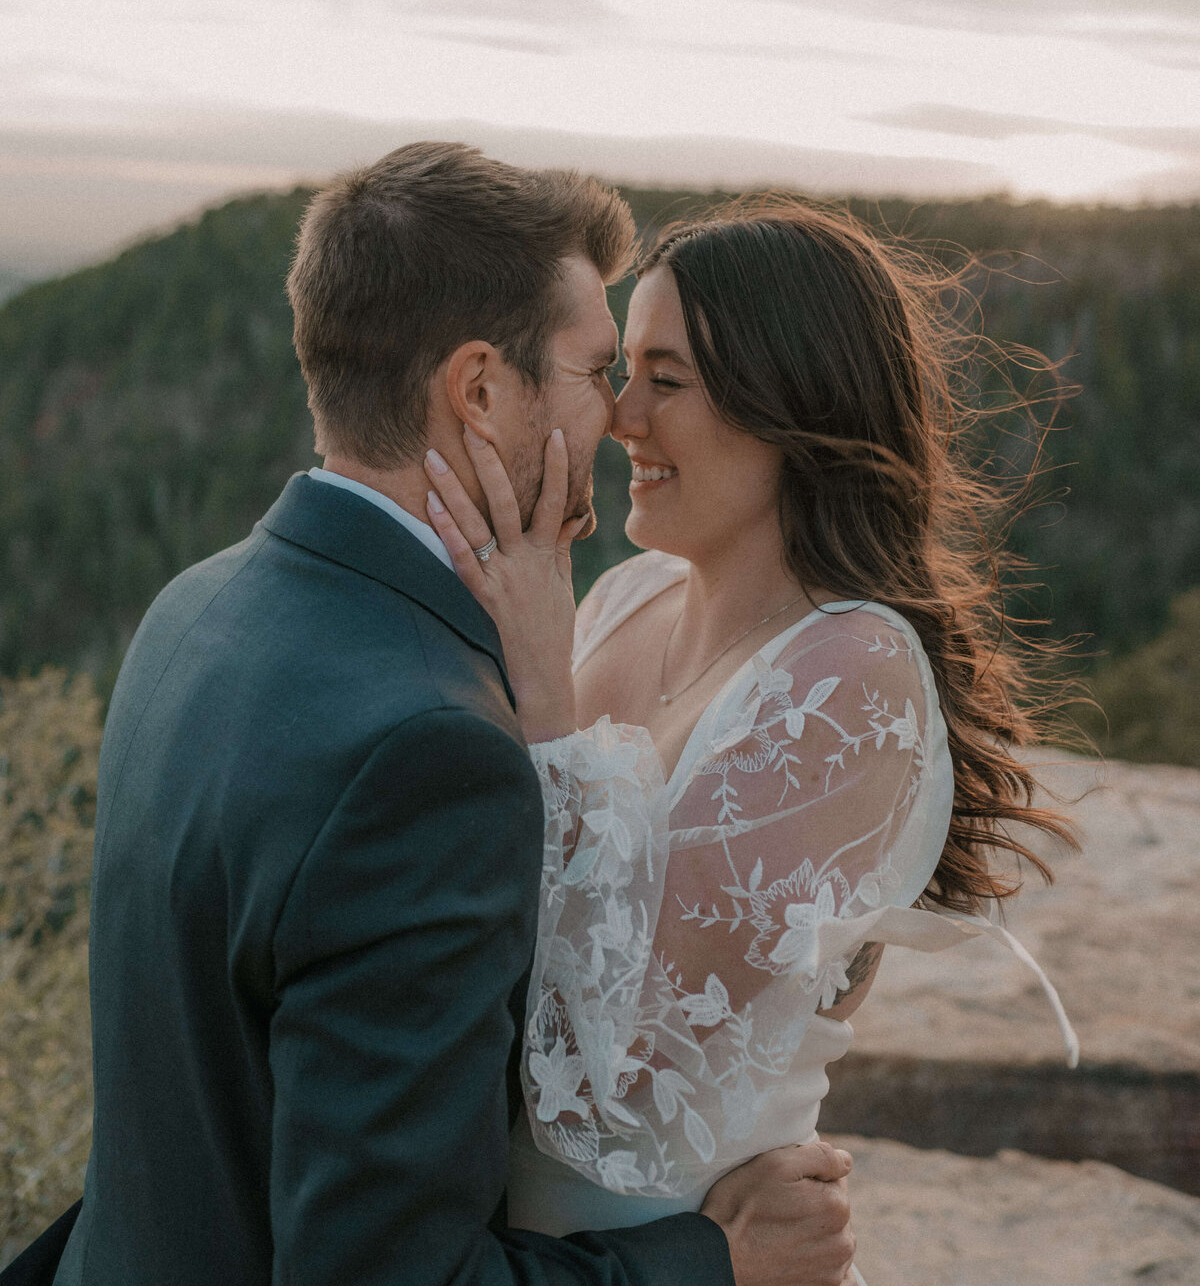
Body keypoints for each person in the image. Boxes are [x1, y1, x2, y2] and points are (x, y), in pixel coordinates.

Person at [7, 145, 856, 1286]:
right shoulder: (427, 752)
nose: (618, 417)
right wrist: (715, 1258)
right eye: (595, 369)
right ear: (479, 390)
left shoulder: (195, 609)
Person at [422, 197, 1079, 1259]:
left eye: (666, 380)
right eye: (623, 371)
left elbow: (613, 1084)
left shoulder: (847, 678)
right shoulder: (628, 599)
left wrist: (541, 691)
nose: (622, 417)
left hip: (693, 1258)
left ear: (792, 401)